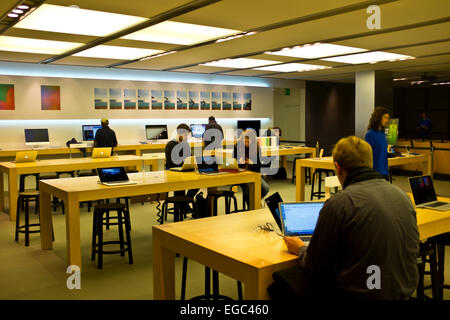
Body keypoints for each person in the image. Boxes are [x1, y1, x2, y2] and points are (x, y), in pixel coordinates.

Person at [268, 136, 419, 300]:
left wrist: (300, 249)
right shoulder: (402, 196)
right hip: (402, 292)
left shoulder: (339, 203)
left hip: (362, 294)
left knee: (278, 285)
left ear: (338, 167)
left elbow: (315, 265)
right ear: (370, 162)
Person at [165, 124, 199, 213]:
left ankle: (185, 202)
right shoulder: (171, 145)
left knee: (198, 182)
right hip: (174, 172)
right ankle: (183, 205)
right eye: (185, 135)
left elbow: (190, 158)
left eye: (187, 135)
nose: (186, 137)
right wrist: (182, 162)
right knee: (181, 184)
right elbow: (170, 164)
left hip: (185, 171)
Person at [233, 129, 269, 209]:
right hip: (240, 174)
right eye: (244, 142)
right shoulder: (237, 146)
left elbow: (259, 165)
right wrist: (239, 162)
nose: (246, 144)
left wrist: (252, 163)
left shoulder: (256, 148)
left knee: (265, 188)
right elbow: (232, 162)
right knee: (248, 189)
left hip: (253, 173)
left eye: (248, 142)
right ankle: (252, 207)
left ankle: (254, 203)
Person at [365, 106, 390, 180]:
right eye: (385, 117)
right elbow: (368, 156)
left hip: (385, 171)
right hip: (375, 173)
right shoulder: (370, 134)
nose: (387, 120)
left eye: (388, 118)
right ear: (379, 117)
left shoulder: (382, 134)